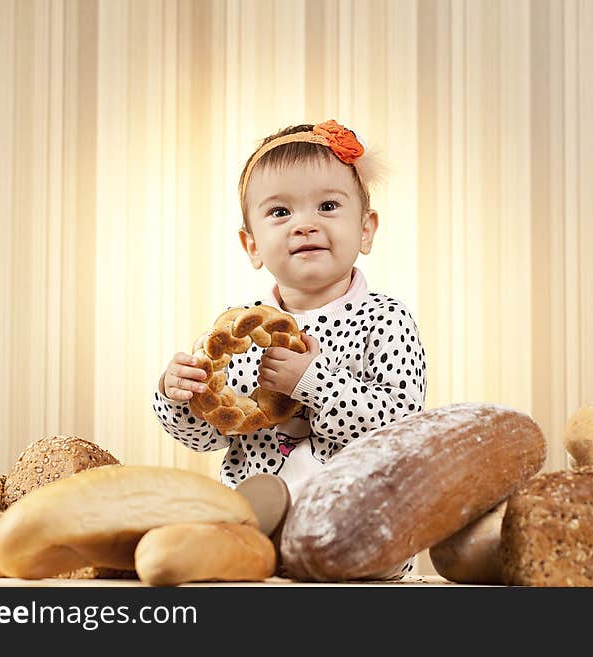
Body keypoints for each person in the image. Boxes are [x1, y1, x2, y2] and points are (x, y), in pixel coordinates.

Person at [152, 120, 427, 578]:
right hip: (259, 551)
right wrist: (176, 395)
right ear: (252, 244)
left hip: (363, 548)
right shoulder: (237, 332)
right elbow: (209, 437)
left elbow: (400, 433)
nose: (305, 224)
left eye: (327, 205)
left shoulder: (386, 320)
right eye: (280, 212)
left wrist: (312, 382)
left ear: (365, 230)